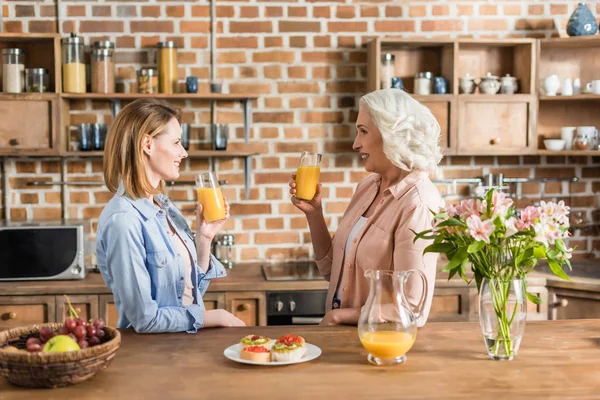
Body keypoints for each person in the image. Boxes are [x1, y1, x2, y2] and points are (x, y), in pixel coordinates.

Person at [289, 89, 444, 327]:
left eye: (363, 132)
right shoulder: (368, 186)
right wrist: (314, 213)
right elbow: (333, 272)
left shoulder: (418, 204)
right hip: (343, 339)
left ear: (392, 134)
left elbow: (413, 308)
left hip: (380, 343)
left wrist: (338, 316)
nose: (355, 143)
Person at [97, 98, 245, 333]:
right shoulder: (123, 221)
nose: (183, 153)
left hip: (183, 346)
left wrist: (204, 239)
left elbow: (188, 294)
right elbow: (145, 320)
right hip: (153, 357)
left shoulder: (164, 207)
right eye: (176, 142)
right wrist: (211, 317)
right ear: (147, 144)